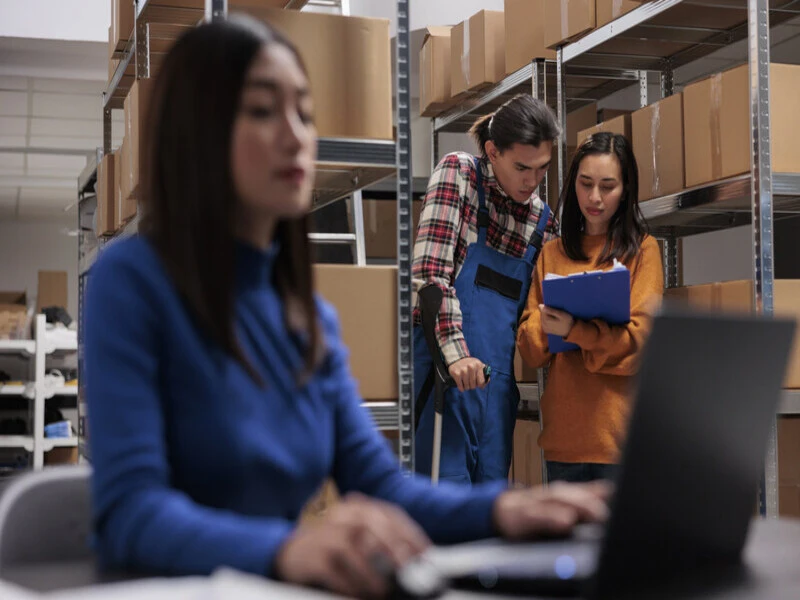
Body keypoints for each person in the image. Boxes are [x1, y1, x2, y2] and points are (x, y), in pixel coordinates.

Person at [84, 15, 609, 599]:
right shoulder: (130, 282)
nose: (295, 135)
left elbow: (383, 486)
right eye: (262, 111)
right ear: (199, 133)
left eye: (304, 114)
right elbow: (129, 514)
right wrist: (290, 547)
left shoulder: (307, 316)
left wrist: (510, 510)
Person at [412, 94, 560, 485]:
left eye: (543, 169)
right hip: (444, 376)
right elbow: (430, 276)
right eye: (522, 168)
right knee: (443, 507)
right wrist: (457, 357)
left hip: (496, 396)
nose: (532, 181)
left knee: (489, 510)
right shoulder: (460, 175)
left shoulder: (543, 222)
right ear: (492, 152)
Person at [516, 132, 664, 485]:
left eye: (607, 186)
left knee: (623, 543)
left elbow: (641, 345)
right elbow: (529, 349)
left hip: (620, 444)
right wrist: (547, 324)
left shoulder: (643, 251)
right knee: (565, 543)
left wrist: (574, 330)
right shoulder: (552, 253)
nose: (594, 197)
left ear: (626, 189)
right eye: (585, 184)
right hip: (563, 444)